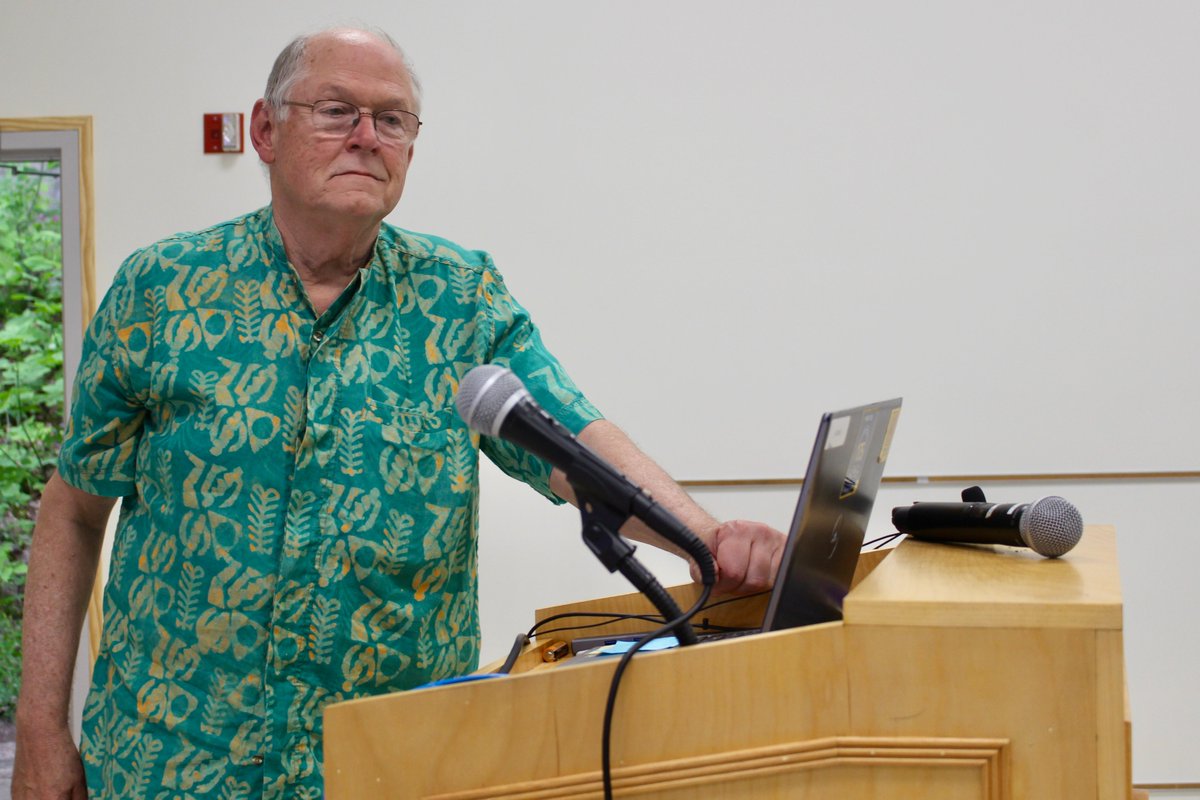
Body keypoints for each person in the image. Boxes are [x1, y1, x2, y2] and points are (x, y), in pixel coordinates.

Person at [11, 26, 786, 800]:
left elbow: (573, 440)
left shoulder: (461, 297)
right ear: (265, 131)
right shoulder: (159, 290)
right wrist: (41, 729)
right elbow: (74, 511)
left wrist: (705, 539)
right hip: (172, 762)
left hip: (395, 766)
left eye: (392, 119)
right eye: (336, 111)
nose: (366, 137)